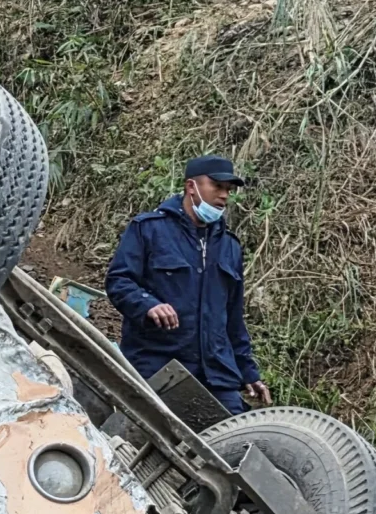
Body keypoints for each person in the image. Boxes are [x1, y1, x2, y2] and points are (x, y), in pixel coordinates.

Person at [105, 154, 272, 413]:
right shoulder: (149, 229)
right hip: (159, 364)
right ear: (191, 186)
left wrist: (248, 371)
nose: (224, 195)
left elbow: (233, 318)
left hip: (217, 373)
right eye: (217, 186)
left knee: (236, 442)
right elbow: (119, 281)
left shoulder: (230, 246)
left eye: (228, 190)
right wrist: (148, 304)